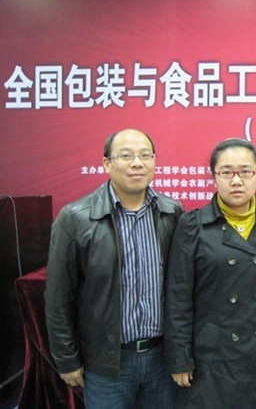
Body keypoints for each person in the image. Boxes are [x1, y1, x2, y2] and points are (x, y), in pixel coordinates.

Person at [45, 129, 184, 408]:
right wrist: (67, 359)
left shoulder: (172, 212)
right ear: (107, 163)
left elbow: (181, 287)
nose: (137, 163)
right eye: (126, 156)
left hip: (162, 360)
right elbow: (58, 297)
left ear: (154, 162)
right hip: (107, 363)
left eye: (145, 156)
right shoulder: (75, 219)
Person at [164, 138, 256, 408]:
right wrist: (180, 358)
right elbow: (178, 297)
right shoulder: (193, 226)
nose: (236, 181)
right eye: (226, 172)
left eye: (245, 172)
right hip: (211, 356)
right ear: (214, 176)